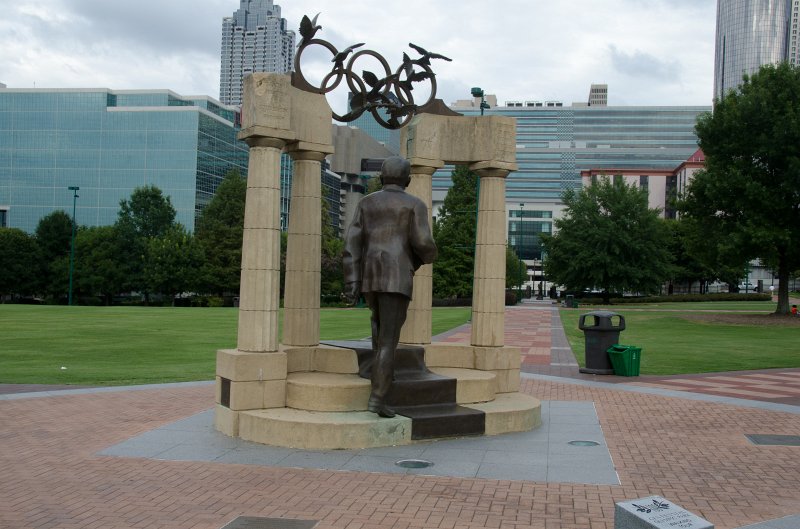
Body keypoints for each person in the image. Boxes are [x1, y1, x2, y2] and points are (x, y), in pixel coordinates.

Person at [342, 156, 437, 418]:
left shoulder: (366, 202)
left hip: (370, 275)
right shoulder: (414, 204)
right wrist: (428, 256)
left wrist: (352, 280)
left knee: (378, 329)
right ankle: (378, 398)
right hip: (396, 277)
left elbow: (351, 244)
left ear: (382, 178)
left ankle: (382, 378)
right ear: (407, 180)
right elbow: (424, 243)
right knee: (388, 341)